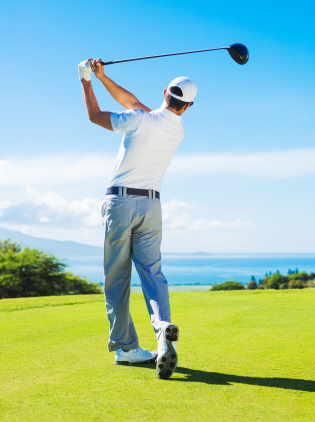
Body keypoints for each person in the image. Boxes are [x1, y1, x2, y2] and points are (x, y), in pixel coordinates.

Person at [78, 58, 197, 379]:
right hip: (152, 207)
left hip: (120, 203)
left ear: (164, 93)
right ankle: (161, 328)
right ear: (188, 106)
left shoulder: (141, 119)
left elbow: (95, 116)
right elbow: (133, 103)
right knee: (152, 273)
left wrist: (86, 81)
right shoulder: (176, 129)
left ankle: (127, 347)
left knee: (116, 277)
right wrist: (104, 76)